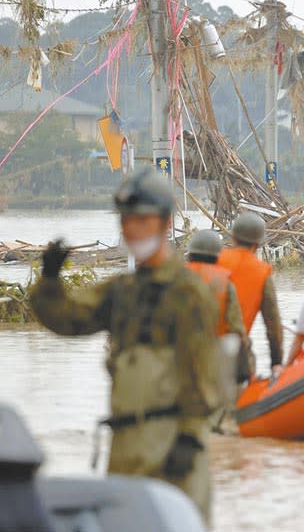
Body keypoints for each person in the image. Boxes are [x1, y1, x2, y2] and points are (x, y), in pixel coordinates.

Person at [28, 168, 221, 521]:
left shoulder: (187, 292)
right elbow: (69, 319)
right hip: (124, 444)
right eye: (127, 220)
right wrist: (50, 279)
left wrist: (190, 438)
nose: (132, 229)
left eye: (142, 220)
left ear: (165, 223)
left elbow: (205, 372)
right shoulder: (121, 291)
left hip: (172, 442)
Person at [218, 213, 284, 378]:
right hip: (235, 353)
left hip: (198, 347)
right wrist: (276, 362)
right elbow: (273, 325)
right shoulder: (262, 272)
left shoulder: (213, 260)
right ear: (259, 243)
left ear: (233, 238)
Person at [186, 230, 252, 382]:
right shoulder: (225, 283)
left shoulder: (172, 277)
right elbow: (236, 328)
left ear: (189, 254)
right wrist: (244, 370)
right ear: (218, 256)